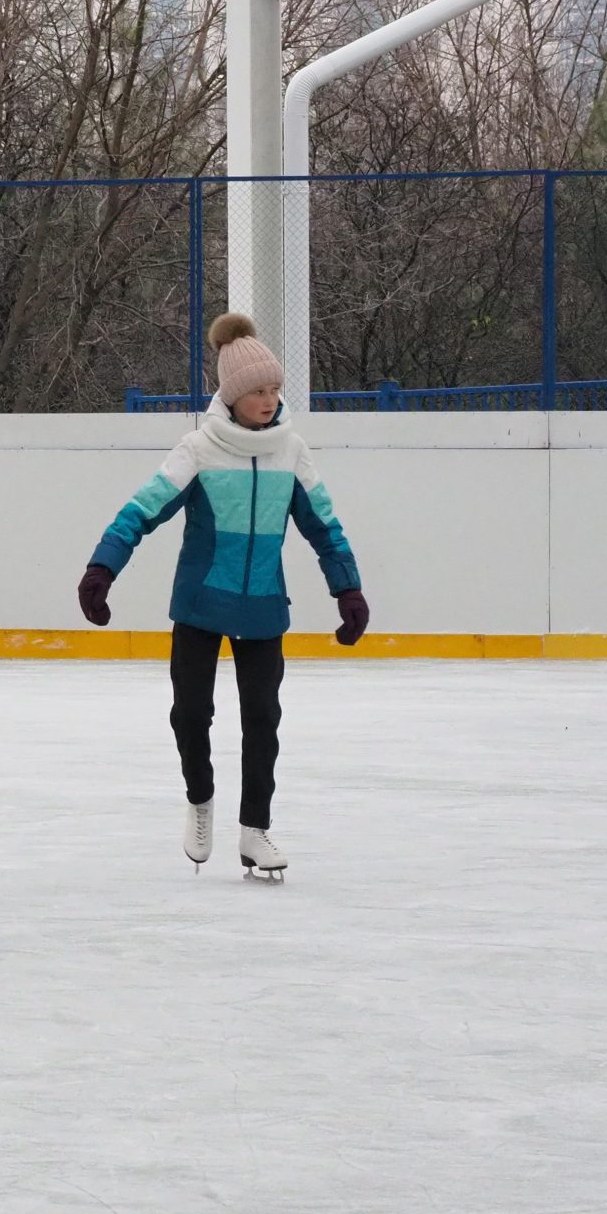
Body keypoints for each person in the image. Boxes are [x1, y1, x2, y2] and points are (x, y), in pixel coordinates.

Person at [77, 311, 368, 878]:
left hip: (262, 604)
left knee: (263, 718)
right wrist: (101, 569)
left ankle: (255, 830)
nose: (269, 398)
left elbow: (324, 525)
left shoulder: (291, 450)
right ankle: (200, 800)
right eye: (257, 390)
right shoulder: (199, 448)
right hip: (200, 604)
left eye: (275, 388)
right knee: (191, 713)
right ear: (231, 396)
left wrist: (348, 589)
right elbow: (141, 510)